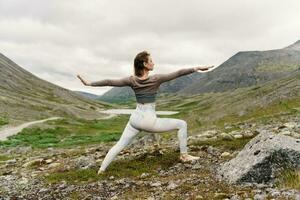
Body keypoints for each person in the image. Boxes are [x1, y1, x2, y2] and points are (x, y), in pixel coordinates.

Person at [77, 51, 215, 174]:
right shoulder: (156, 79)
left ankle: (101, 170)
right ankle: (184, 156)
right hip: (148, 120)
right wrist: (196, 68)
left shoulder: (131, 80)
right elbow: (178, 73)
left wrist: (89, 83)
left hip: (135, 118)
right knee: (182, 124)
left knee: (119, 145)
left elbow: (109, 81)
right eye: (151, 61)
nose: (153, 63)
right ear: (145, 64)